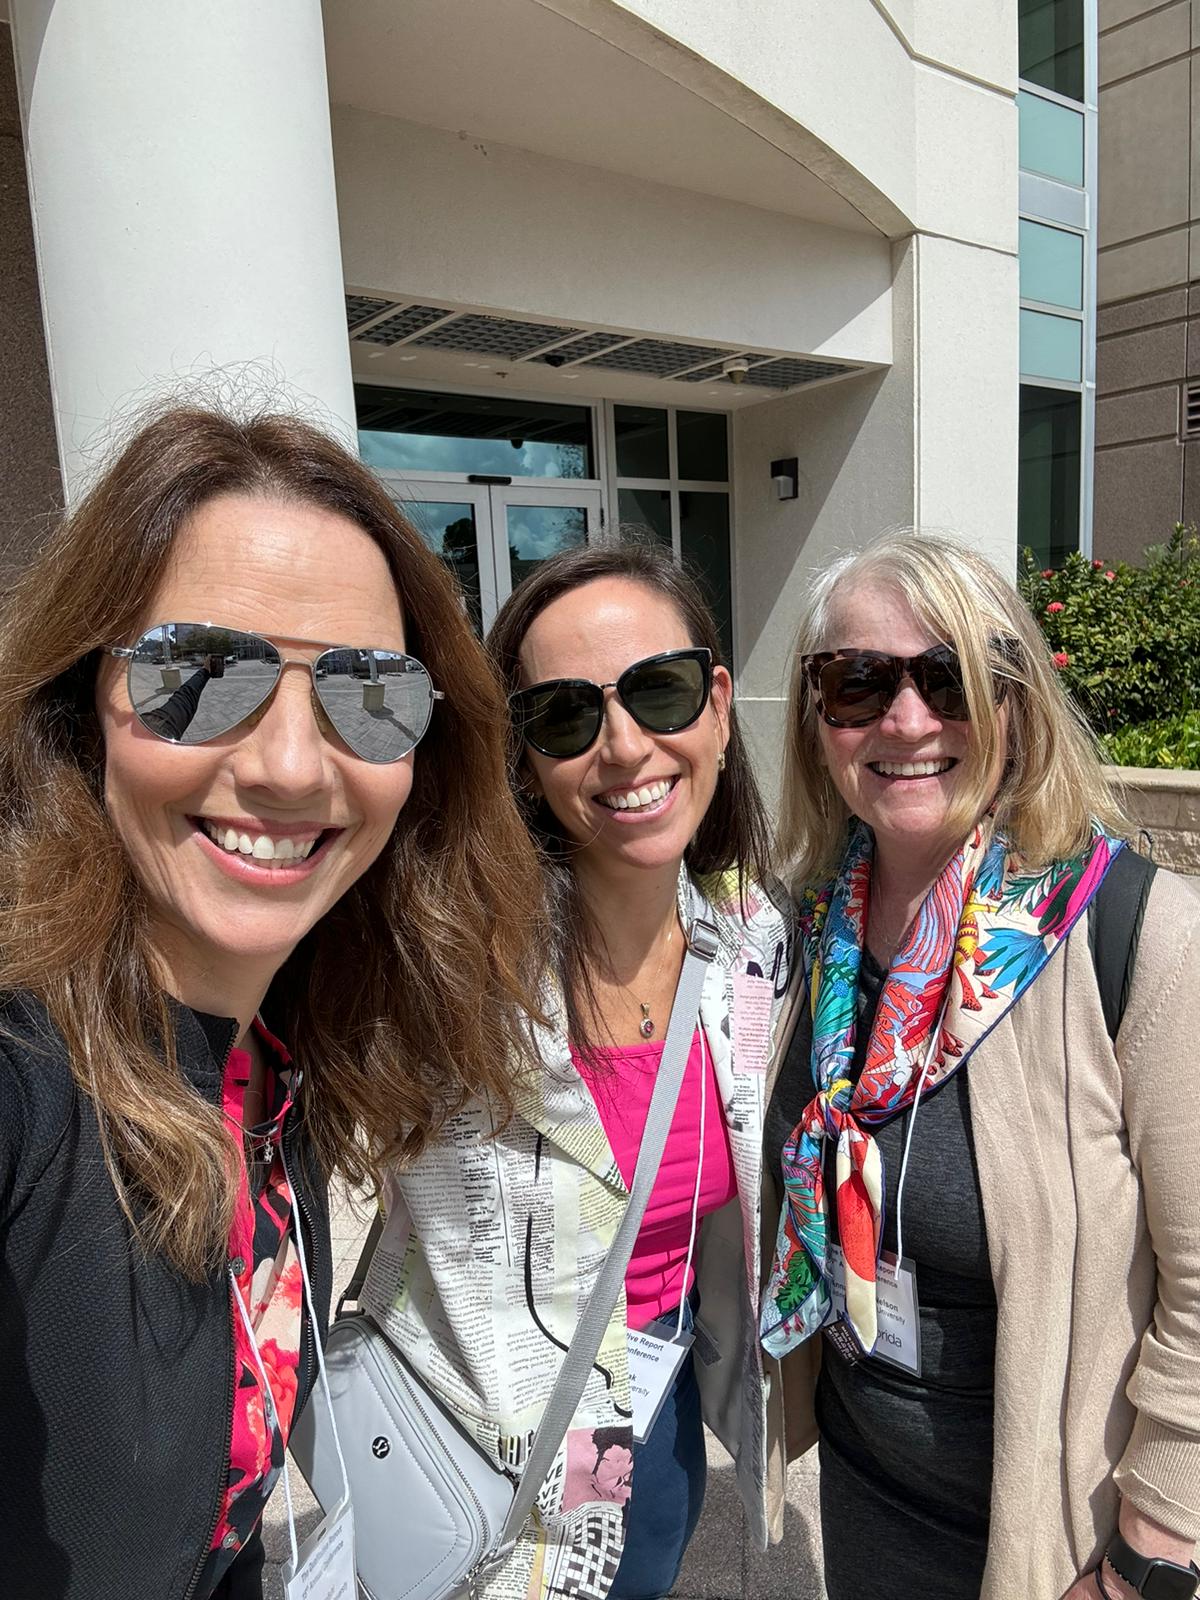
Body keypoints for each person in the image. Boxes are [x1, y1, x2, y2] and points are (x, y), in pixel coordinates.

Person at [0, 405, 544, 1600]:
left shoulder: (279, 1060)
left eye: (371, 693)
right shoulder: (26, 1071)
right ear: (80, 698)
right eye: (200, 673)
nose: (292, 763)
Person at [760, 529, 1200, 1600]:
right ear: (819, 721)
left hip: (1054, 1545)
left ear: (1015, 704)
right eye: (859, 683)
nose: (907, 722)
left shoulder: (1136, 935)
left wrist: (1153, 1553)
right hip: (867, 1498)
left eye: (950, 678)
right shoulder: (810, 925)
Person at [362, 542, 792, 1600]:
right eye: (565, 714)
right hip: (465, 1457)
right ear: (522, 756)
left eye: (661, 689)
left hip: (658, 1415)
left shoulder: (753, 945)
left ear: (719, 703)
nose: (625, 746)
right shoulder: (444, 958)